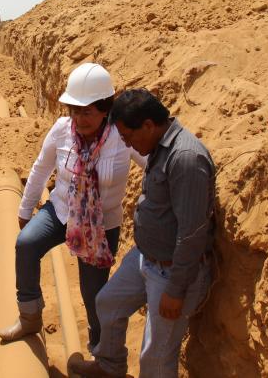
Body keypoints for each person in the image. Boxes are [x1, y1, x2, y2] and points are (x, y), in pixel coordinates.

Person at [0, 63, 146, 351]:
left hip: (101, 225)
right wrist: (25, 211)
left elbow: (153, 164)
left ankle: (99, 348)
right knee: (26, 244)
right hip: (61, 210)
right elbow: (40, 169)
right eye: (74, 110)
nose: (79, 118)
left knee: (93, 293)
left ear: (105, 109)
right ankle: (29, 317)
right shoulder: (62, 130)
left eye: (86, 111)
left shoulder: (122, 137)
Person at [70, 89, 216, 378]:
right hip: (145, 258)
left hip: (171, 272)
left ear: (148, 125)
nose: (127, 144)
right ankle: (109, 367)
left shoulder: (186, 159)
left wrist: (175, 290)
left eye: (128, 137)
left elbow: (191, 234)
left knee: (155, 357)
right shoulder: (158, 146)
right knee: (108, 303)